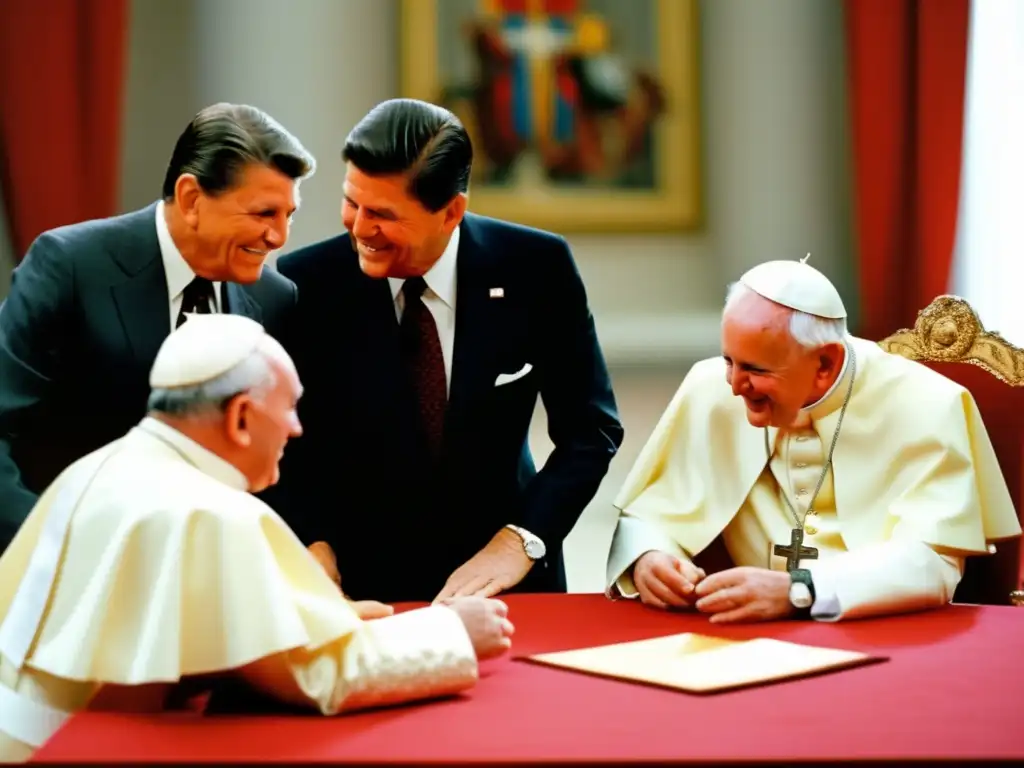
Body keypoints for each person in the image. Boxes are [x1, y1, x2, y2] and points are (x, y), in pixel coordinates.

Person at [0, 313, 515, 763]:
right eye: (290, 408)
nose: (295, 429)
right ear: (242, 417)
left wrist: (297, 614)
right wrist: (451, 632)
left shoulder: (100, 467)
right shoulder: (213, 510)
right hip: (68, 752)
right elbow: (321, 677)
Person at [271, 98, 623, 604]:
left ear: (451, 212)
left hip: (508, 585)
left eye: (383, 214)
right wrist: (310, 542)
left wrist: (522, 540)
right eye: (353, 202)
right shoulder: (303, 286)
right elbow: (278, 447)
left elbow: (591, 430)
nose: (359, 228)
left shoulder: (537, 268)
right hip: (360, 591)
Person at [605, 257, 1021, 623]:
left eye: (755, 368)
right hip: (744, 637)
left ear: (825, 363)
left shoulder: (928, 403)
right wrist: (650, 557)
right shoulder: (708, 387)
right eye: (728, 360)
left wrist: (799, 589)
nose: (733, 385)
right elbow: (650, 510)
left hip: (881, 635)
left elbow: (933, 564)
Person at [0, 103, 310, 552]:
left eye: (289, 215)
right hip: (70, 565)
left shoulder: (275, 299)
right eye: (264, 214)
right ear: (190, 199)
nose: (279, 237)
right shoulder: (68, 265)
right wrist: (44, 554)